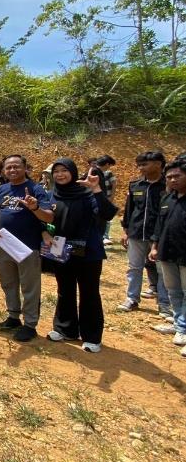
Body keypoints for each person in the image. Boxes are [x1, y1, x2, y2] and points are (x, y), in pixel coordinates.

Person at [42, 158, 118, 353]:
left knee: (89, 293)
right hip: (60, 248)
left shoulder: (87, 194)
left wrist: (97, 190)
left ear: (73, 172)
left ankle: (92, 336)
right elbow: (43, 219)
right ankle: (65, 329)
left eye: (64, 170)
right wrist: (45, 233)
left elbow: (108, 214)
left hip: (88, 252)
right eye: (56, 171)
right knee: (64, 290)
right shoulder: (51, 195)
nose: (60, 174)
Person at [0, 154, 54, 342]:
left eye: (16, 166)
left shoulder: (36, 189)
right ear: (3, 171)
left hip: (28, 246)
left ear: (25, 168)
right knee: (8, 282)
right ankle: (13, 317)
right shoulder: (1, 190)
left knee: (29, 286)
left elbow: (49, 217)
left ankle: (30, 324)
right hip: (4, 244)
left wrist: (35, 208)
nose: (12, 170)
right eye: (8, 167)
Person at [118, 151, 170, 317]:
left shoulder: (167, 186)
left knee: (162, 270)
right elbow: (129, 210)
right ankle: (132, 298)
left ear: (159, 164)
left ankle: (164, 304)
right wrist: (126, 230)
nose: (141, 168)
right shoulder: (136, 185)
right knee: (134, 267)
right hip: (136, 232)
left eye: (145, 164)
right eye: (139, 165)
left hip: (159, 235)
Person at [149, 159, 186, 356]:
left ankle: (182, 328)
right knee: (174, 290)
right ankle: (180, 324)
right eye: (169, 177)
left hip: (184, 255)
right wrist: (154, 246)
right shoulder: (167, 199)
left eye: (177, 176)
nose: (172, 180)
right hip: (166, 252)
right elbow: (159, 226)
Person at [96, 154, 117, 245]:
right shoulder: (95, 171)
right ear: (107, 164)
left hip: (105, 199)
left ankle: (104, 237)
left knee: (105, 219)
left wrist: (111, 197)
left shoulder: (108, 173)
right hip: (98, 201)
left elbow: (114, 184)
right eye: (110, 165)